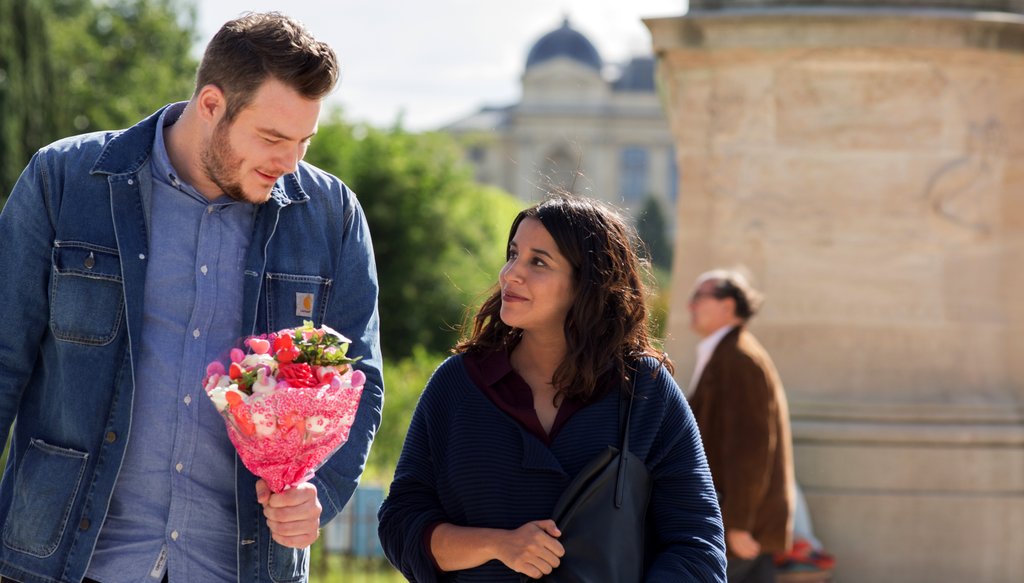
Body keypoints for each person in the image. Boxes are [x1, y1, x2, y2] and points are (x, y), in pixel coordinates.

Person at [0, 12, 383, 583]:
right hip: (61, 560)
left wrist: (318, 495)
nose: (290, 163)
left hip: (243, 567)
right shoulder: (65, 181)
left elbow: (361, 378)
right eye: (273, 138)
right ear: (210, 105)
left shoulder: (331, 216)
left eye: (304, 141)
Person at [377, 194, 726, 581]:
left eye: (538, 262)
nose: (510, 273)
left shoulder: (646, 392)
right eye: (513, 254)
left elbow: (698, 548)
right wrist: (498, 544)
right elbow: (400, 525)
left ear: (588, 284)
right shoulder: (457, 385)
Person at [686, 269, 795, 583]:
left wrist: (738, 524)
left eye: (699, 296)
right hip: (733, 523)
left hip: (738, 529)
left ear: (727, 306)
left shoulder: (739, 358)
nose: (689, 305)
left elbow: (751, 449)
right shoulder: (726, 353)